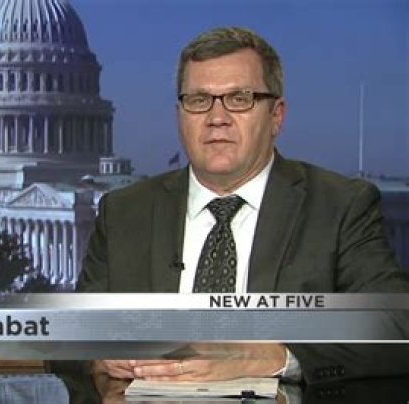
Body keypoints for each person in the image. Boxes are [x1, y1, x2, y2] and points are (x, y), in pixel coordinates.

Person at [75, 26, 409, 397]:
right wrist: (96, 355)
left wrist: (273, 357)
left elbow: (397, 324)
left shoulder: (340, 206)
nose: (217, 117)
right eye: (199, 100)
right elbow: (68, 334)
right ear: (180, 115)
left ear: (276, 116)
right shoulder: (123, 213)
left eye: (239, 99)